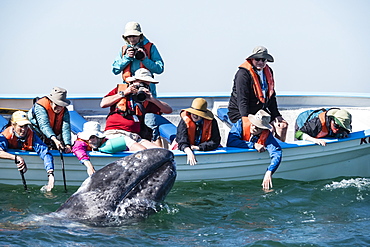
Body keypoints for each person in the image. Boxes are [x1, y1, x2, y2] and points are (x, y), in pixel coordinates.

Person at [112, 21, 165, 146]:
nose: (132, 39)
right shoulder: (124, 50)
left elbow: (159, 68)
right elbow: (114, 69)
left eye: (134, 36)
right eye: (129, 36)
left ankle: (160, 157)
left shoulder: (150, 47)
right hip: (129, 92)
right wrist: (127, 58)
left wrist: (144, 59)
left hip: (147, 91)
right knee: (133, 124)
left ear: (140, 36)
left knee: (151, 125)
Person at [100, 68, 172, 151]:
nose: (143, 86)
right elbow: (103, 104)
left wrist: (152, 99)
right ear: (133, 82)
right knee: (144, 151)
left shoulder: (145, 100)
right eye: (141, 83)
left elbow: (168, 110)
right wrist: (123, 93)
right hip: (117, 133)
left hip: (135, 136)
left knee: (161, 152)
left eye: (146, 84)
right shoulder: (120, 89)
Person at [227, 46, 288, 142]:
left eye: (263, 60)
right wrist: (246, 120)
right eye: (257, 59)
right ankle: (256, 147)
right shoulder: (243, 74)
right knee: (263, 129)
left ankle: (276, 149)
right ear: (252, 59)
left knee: (282, 126)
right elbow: (242, 100)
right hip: (240, 112)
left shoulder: (268, 72)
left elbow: (271, 97)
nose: (261, 62)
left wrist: (276, 115)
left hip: (260, 111)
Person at [227, 109, 282, 190]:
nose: (254, 128)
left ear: (263, 129)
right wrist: (253, 145)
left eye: (258, 127)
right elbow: (231, 142)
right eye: (253, 125)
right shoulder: (240, 124)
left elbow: (276, 152)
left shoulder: (267, 135)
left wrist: (269, 171)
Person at [0, 111, 55, 191]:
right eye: (21, 126)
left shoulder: (32, 136)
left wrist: (50, 174)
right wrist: (17, 158)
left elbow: (45, 152)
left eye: (26, 126)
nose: (24, 129)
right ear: (13, 125)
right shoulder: (4, 136)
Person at [174, 98, 221, 166]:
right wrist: (189, 151)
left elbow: (215, 141)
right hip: (186, 147)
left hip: (204, 146)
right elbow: (181, 141)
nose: (195, 115)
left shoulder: (212, 122)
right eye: (193, 113)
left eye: (198, 114)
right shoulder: (184, 121)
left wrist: (199, 147)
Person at [28, 87, 72, 153]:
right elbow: (44, 125)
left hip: (51, 137)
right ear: (51, 101)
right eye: (57, 104)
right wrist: (55, 139)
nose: (59, 108)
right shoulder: (41, 106)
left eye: (61, 105)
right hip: (36, 134)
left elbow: (66, 127)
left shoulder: (65, 111)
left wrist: (67, 144)